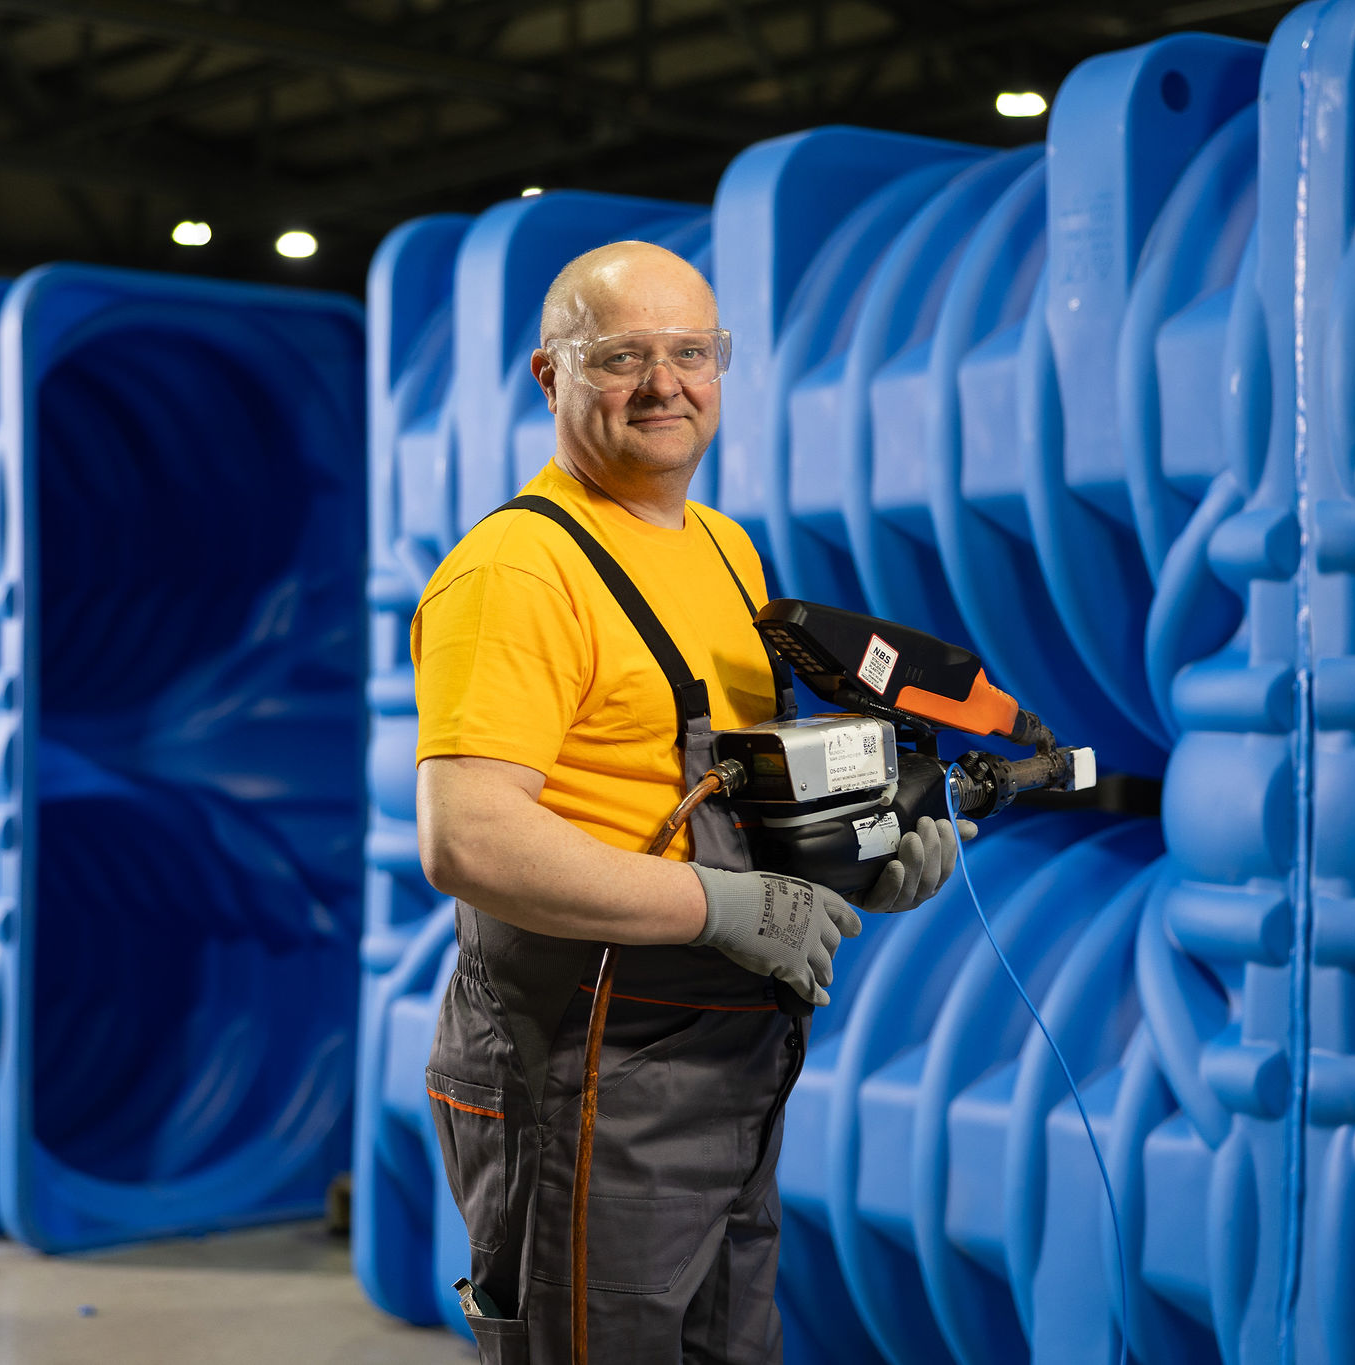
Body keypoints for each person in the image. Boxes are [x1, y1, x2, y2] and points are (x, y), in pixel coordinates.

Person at [412, 239, 967, 1364]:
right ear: (551, 376)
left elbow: (720, 786)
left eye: (691, 352)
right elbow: (469, 838)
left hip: (729, 1058)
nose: (664, 384)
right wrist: (725, 908)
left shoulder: (722, 548)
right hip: (587, 1068)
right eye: (622, 356)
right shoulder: (517, 571)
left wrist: (862, 858)